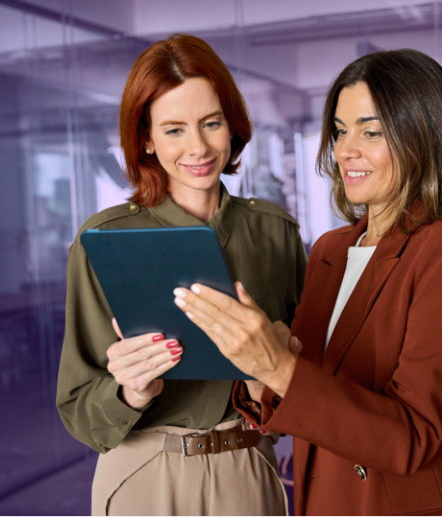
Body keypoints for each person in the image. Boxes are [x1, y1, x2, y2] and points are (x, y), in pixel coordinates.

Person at [172, 49, 442, 515]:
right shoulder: (331, 250)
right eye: (339, 130)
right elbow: (304, 398)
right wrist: (252, 365)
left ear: (425, 137)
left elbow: (412, 437)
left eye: (370, 131)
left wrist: (277, 368)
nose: (346, 149)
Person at [56, 34, 306, 516]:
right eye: (173, 130)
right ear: (146, 138)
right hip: (144, 473)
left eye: (211, 123)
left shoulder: (275, 232)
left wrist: (267, 377)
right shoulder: (104, 241)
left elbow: (311, 384)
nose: (198, 148)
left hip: (247, 468)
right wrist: (131, 391)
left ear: (231, 125)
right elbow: (78, 409)